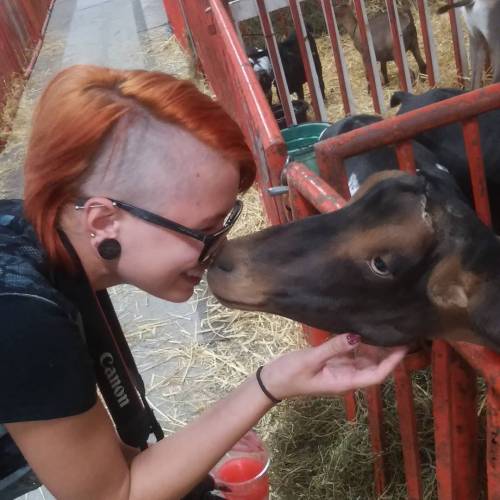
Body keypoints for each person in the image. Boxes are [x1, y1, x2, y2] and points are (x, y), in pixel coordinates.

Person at [0, 65, 407, 500]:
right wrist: (269, 385)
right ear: (104, 221)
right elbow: (112, 494)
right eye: (205, 229)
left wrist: (199, 449)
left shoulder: (37, 235)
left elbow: (100, 460)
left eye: (227, 219)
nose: (222, 247)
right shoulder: (22, 315)